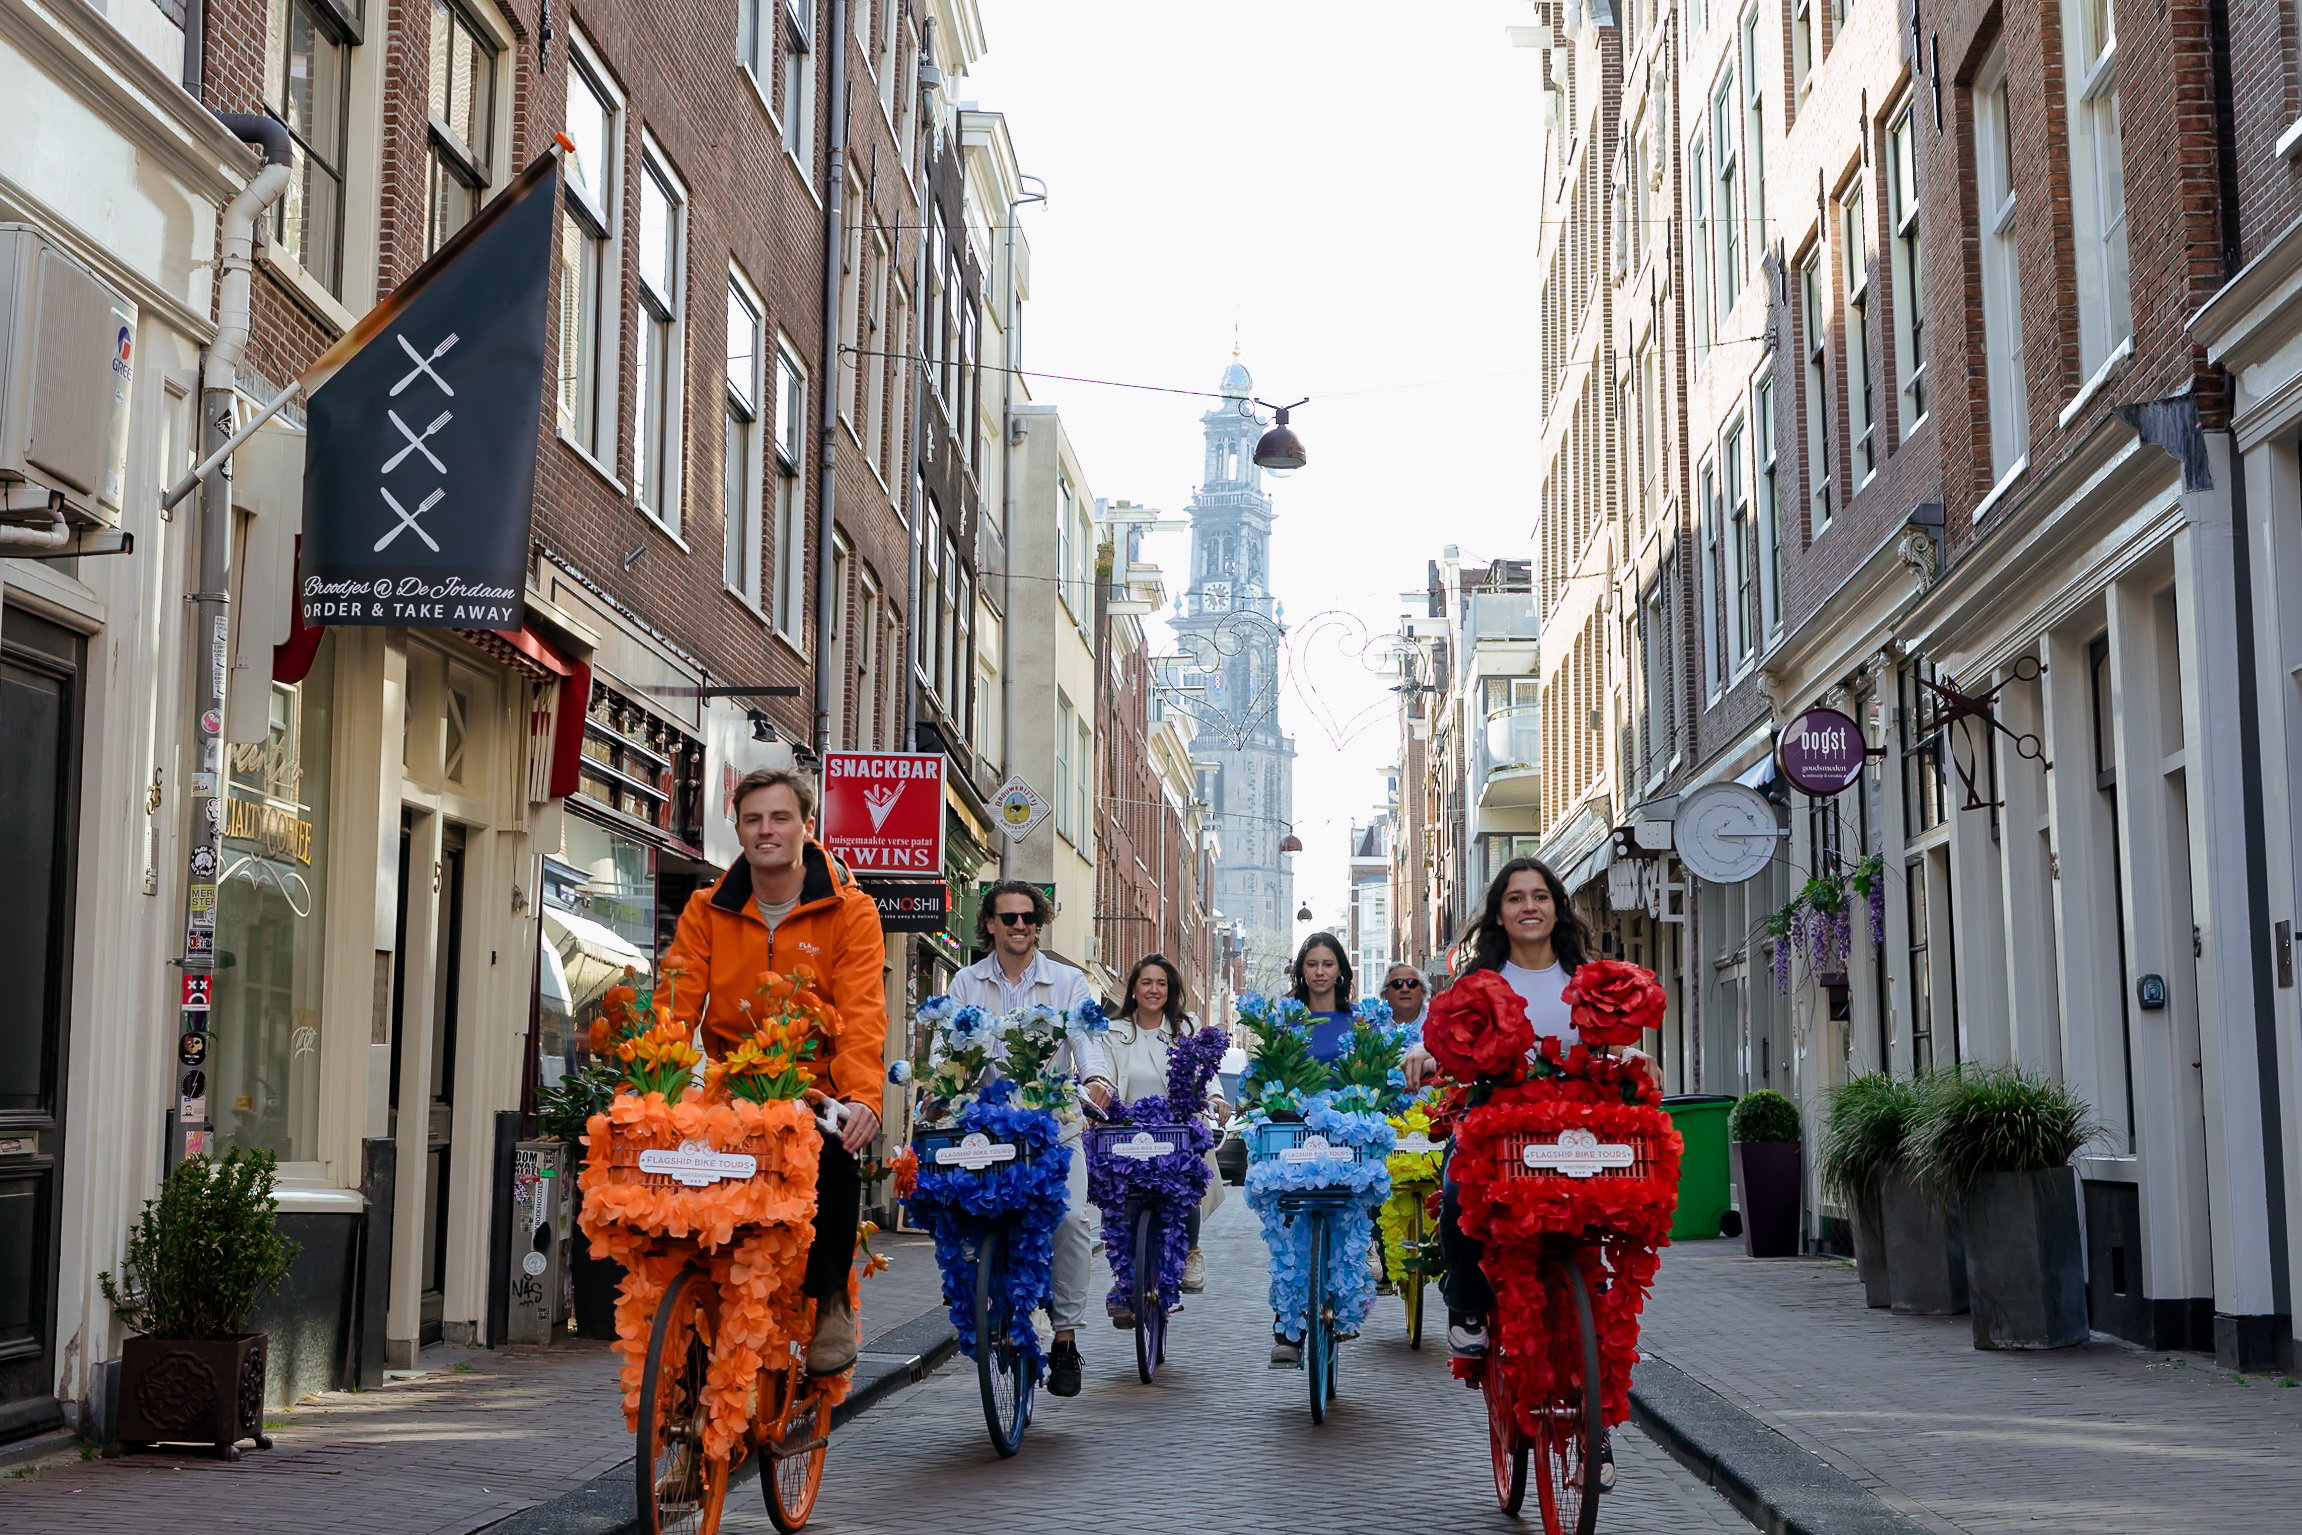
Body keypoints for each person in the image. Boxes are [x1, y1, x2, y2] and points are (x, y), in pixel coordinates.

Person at [663, 767, 888, 1378]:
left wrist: (862, 1097)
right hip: (733, 1084)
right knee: (670, 1161)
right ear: (737, 828)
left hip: (815, 1081)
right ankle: (690, 1306)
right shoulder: (705, 909)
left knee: (835, 1151)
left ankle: (831, 1300)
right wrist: (650, 1083)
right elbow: (675, 1004)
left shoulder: (850, 911)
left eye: (780, 817)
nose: (767, 831)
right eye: (754, 819)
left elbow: (862, 1012)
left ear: (806, 827)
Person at [1404, 856, 1618, 1492]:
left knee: (1603, 1246)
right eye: (1516, 898)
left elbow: (1616, 1037)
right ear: (1499, 913)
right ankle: (1468, 1310)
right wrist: (1425, 1051)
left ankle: (1592, 1418)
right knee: (1457, 1189)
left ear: (1557, 906)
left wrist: (1637, 1058)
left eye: (1541, 895)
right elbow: (1442, 1035)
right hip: (1498, 1121)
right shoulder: (1479, 981)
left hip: (1575, 1130)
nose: (1530, 906)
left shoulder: (1587, 976)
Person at [946, 880, 1113, 1398]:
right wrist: (939, 1088)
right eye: (1009, 917)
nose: (1020, 926)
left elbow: (1088, 1041)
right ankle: (989, 1304)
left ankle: (1064, 1337)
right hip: (987, 1133)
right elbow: (945, 1052)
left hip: (1054, 1127)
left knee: (1068, 1221)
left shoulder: (1067, 982)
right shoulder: (965, 984)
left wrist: (1096, 1081)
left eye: (1029, 918)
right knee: (964, 1222)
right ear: (990, 924)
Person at [1098, 954, 1229, 1310]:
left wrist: (1215, 1097)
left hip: (1175, 1130)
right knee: (1119, 1199)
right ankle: (1127, 1280)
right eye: (1146, 983)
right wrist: (1099, 1105)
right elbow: (1104, 1079)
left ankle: (1190, 1251)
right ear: (1134, 990)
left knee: (1186, 1183)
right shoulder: (1112, 1032)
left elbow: (1205, 1073)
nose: (1154, 990)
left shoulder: (1185, 1030)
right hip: (1128, 1131)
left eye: (1161, 983)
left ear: (1169, 991)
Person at [1289, 931, 1358, 1064]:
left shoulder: (1361, 1020)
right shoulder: (1287, 1023)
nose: (1319, 972)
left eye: (1328, 965)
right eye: (1312, 964)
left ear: (1339, 970)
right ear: (1302, 970)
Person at [1381, 962, 1430, 1044]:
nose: (1405, 989)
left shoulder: (1437, 1024)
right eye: (1397, 983)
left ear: (1422, 992)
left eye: (1412, 983)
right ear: (1385, 993)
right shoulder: (1373, 1027)